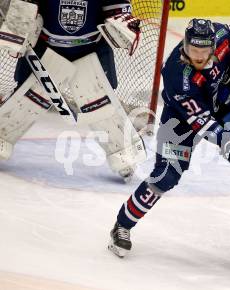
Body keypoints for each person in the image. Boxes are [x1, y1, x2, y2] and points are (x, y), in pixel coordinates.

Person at [108, 18, 230, 258]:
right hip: (180, 121)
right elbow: (202, 121)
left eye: (203, 51)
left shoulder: (223, 35)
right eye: (192, 50)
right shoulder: (177, 75)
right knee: (166, 176)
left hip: (222, 106)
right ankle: (122, 225)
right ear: (185, 45)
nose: (198, 56)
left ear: (212, 46)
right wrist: (227, 142)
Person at [0, 0, 146, 180]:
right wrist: (18, 23)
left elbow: (118, 11)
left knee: (100, 104)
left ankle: (124, 154)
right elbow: (23, 4)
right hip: (46, 45)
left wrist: (125, 25)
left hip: (92, 48)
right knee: (29, 98)